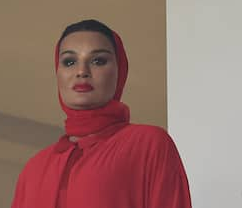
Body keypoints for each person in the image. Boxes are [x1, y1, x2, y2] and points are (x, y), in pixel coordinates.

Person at [11, 19, 192, 208]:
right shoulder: (34, 169)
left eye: (98, 61)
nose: (82, 71)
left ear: (120, 70)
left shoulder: (149, 144)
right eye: (70, 61)